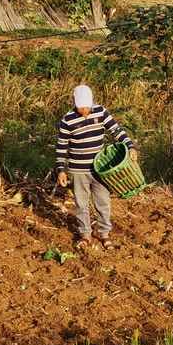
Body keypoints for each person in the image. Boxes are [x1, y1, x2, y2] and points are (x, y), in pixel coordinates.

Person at [55, 84, 138, 251]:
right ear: (74, 103)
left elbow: (116, 130)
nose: (84, 110)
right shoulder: (67, 120)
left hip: (99, 168)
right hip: (78, 170)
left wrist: (130, 146)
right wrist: (61, 170)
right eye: (80, 107)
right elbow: (61, 146)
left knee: (102, 202)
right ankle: (85, 234)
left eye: (86, 106)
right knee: (81, 204)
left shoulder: (101, 112)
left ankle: (104, 233)